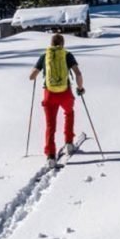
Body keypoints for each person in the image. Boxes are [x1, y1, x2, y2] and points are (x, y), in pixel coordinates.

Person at [29, 33, 85, 168]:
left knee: (50, 125)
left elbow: (31, 76)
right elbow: (78, 73)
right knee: (69, 113)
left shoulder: (45, 56)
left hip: (49, 94)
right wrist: (80, 87)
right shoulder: (67, 55)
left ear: (51, 43)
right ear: (63, 44)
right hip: (65, 93)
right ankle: (69, 143)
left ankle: (50, 156)